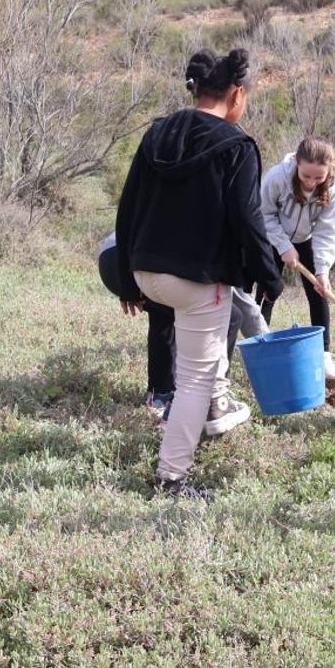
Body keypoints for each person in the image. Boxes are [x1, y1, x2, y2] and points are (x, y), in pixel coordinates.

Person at [114, 48, 283, 499]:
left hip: (147, 270)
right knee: (196, 379)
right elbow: (248, 220)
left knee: (193, 360)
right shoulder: (237, 145)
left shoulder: (156, 134)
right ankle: (173, 477)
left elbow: (128, 207)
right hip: (196, 280)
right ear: (236, 94)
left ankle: (186, 422)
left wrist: (127, 279)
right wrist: (269, 277)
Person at [98, 231, 268, 433]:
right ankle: (211, 399)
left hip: (114, 255)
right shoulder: (226, 243)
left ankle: (160, 396)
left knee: (165, 314)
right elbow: (242, 304)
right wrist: (267, 345)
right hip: (137, 258)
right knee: (231, 317)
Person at [258, 138, 335, 379]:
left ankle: (325, 354)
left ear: (328, 172)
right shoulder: (277, 178)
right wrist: (284, 246)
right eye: (306, 175)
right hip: (272, 236)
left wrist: (322, 270)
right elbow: (262, 214)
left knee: (319, 292)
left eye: (318, 178)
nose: (311, 182)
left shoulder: (333, 189)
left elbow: (327, 231)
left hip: (307, 239)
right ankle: (260, 345)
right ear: (297, 163)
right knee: (269, 289)